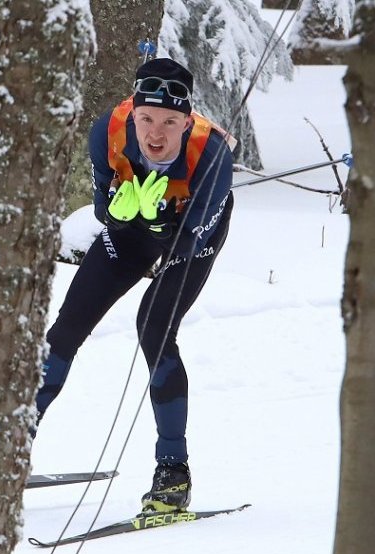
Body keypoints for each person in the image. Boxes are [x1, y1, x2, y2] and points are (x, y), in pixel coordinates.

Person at [33, 58, 235, 514]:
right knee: (65, 330)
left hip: (191, 238)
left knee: (154, 327)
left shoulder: (213, 155)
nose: (155, 133)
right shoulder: (108, 129)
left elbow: (190, 236)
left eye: (170, 121)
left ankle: (173, 472)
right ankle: (10, 446)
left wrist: (165, 218)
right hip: (133, 229)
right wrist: (118, 213)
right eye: (146, 118)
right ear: (133, 112)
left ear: (188, 121)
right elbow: (104, 207)